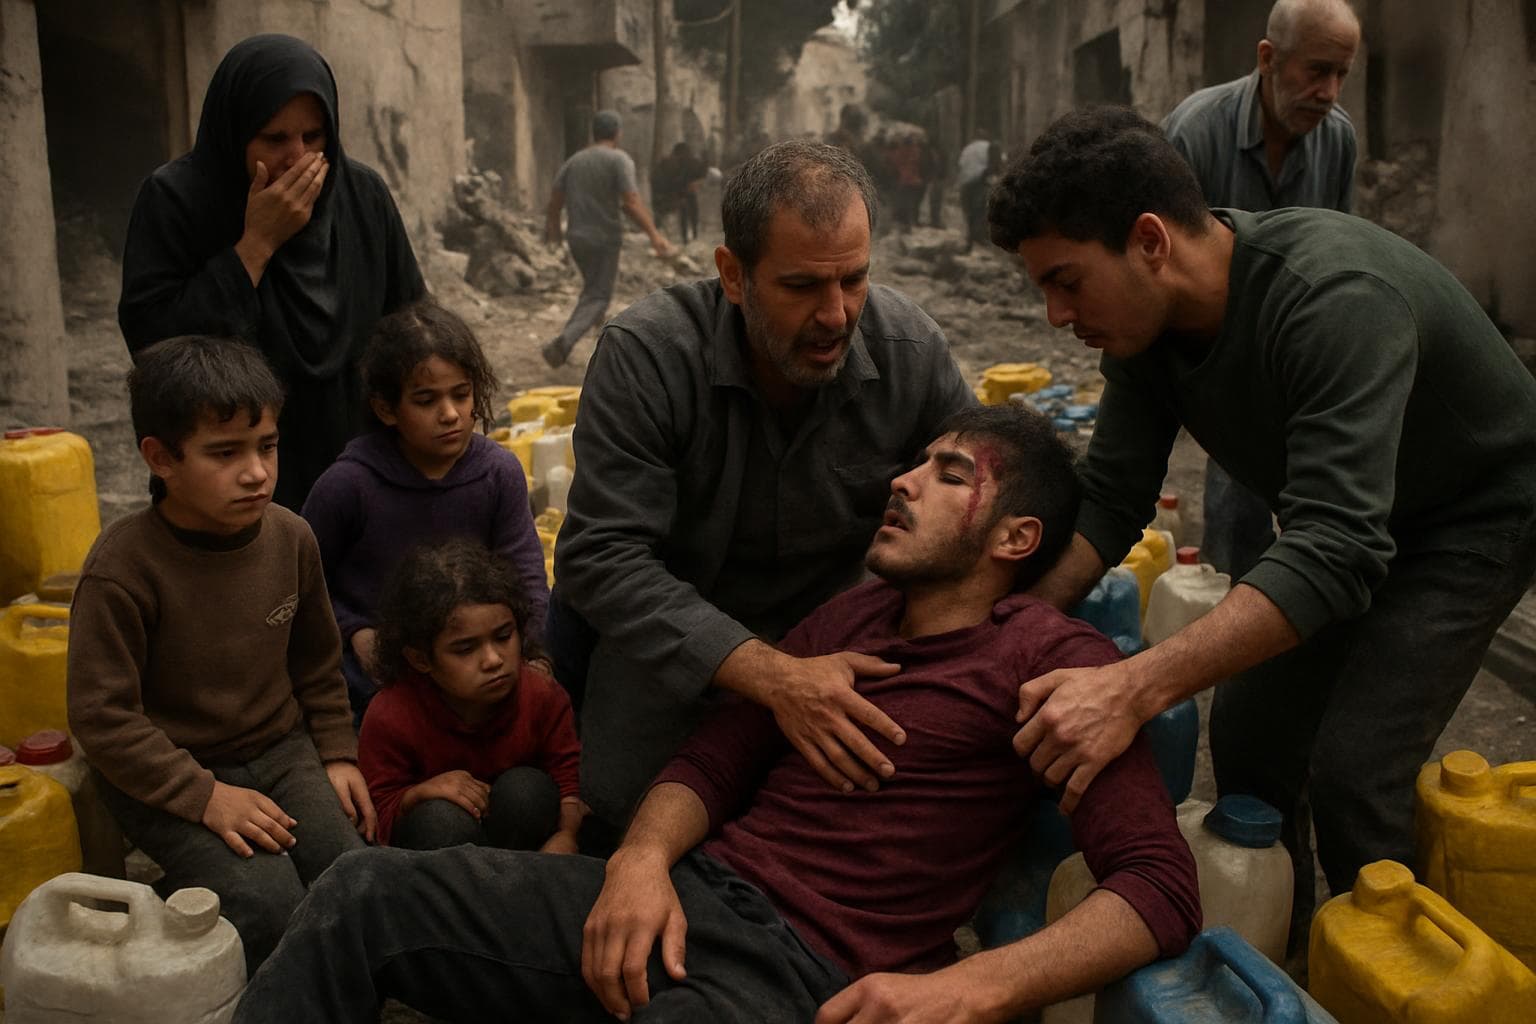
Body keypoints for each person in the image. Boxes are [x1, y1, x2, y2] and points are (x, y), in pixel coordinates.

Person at [232, 405, 1202, 1024]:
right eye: (917, 462)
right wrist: (641, 860)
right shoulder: (849, 614)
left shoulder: (1052, 661)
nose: (901, 480)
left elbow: (1159, 886)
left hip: (802, 974)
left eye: (949, 473)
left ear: (1015, 536)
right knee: (365, 893)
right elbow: (720, 753)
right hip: (685, 900)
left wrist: (970, 986)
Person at [987, 107, 1536, 938]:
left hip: (1474, 517)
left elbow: (1337, 549)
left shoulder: (1332, 300)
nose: (1057, 315)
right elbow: (1111, 497)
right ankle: (1290, 949)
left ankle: (1394, 969)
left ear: (1149, 241)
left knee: (1357, 768)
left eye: (1066, 280)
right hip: (1353, 517)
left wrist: (1130, 689)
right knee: (1249, 732)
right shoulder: (1146, 330)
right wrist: (1012, 626)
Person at [547, 139, 976, 836]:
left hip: (849, 650)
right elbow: (603, 559)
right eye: (802, 286)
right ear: (734, 275)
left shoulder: (910, 352)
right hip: (677, 655)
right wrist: (774, 678)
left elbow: (987, 499)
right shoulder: (647, 358)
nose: (836, 315)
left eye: (855, 280)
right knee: (628, 821)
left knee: (880, 829)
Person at [66, 335, 375, 975]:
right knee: (268, 903)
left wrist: (338, 754)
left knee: (353, 878)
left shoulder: (292, 538)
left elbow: (318, 665)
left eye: (267, 446)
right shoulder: (122, 569)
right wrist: (204, 794)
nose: (257, 471)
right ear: (161, 458)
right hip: (172, 770)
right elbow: (103, 719)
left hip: (281, 748)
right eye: (224, 453)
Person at [118, 34, 425, 510]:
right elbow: (156, 349)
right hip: (234, 488)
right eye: (274, 139)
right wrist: (256, 245)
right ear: (236, 134)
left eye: (314, 137)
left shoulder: (361, 195)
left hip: (361, 476)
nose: (297, 158)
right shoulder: (178, 200)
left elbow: (408, 322)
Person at [1161, 0, 1361, 581]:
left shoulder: (1338, 139)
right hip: (1219, 338)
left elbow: (1340, 250)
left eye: (1342, 74)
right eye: (1316, 70)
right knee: (1237, 495)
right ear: (1268, 58)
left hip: (1301, 337)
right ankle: (1227, 611)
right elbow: (1161, 262)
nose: (1329, 90)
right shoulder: (1194, 131)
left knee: (1323, 496)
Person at [301, 298, 548, 720]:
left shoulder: (497, 473)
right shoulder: (349, 485)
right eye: (426, 400)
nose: (450, 414)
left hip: (477, 668)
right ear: (386, 409)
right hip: (377, 681)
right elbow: (302, 581)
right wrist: (353, 629)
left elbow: (525, 573)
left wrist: (533, 655)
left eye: (461, 394)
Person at [356, 539, 582, 852]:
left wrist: (566, 836)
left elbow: (568, 782)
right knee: (440, 820)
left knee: (527, 792)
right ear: (421, 659)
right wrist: (420, 793)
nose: (493, 659)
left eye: (504, 636)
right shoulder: (391, 714)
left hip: (525, 848)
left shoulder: (542, 695)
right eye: (465, 649)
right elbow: (376, 813)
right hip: (438, 856)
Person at [542, 110, 671, 368]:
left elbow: (555, 201)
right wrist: (654, 234)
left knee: (593, 289)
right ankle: (564, 342)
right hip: (604, 239)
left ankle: (600, 344)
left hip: (577, 238)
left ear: (594, 132)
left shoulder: (574, 160)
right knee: (598, 294)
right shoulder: (619, 159)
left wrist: (554, 232)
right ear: (617, 133)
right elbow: (631, 202)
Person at [652, 141, 709, 245]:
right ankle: (686, 237)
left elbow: (700, 174)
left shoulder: (689, 162)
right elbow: (667, 182)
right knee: (685, 209)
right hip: (673, 191)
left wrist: (694, 184)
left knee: (689, 208)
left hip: (682, 190)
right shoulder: (671, 163)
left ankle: (690, 237)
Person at [957, 129, 998, 251]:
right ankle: (978, 237)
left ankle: (970, 236)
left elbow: (961, 163)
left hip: (965, 181)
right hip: (980, 180)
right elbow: (994, 164)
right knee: (980, 210)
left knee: (968, 211)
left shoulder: (967, 148)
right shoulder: (988, 147)